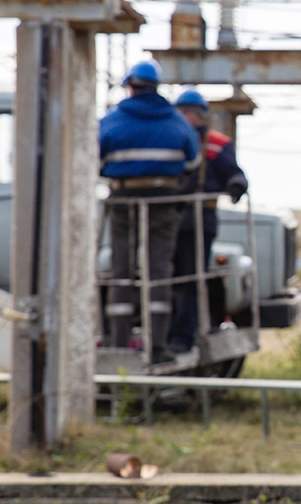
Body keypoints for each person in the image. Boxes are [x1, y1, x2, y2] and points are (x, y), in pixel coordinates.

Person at [99, 59, 200, 364]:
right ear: (156, 87)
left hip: (123, 200)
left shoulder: (113, 119)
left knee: (121, 271)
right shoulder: (175, 119)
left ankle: (118, 342)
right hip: (163, 201)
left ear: (130, 86)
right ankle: (157, 347)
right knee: (158, 272)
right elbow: (192, 160)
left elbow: (94, 154)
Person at [168, 88, 248, 353]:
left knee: (190, 279)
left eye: (186, 113)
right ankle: (166, 333)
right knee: (166, 279)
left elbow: (234, 174)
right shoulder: (172, 140)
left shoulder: (216, 144)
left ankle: (182, 336)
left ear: (198, 115)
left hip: (199, 221)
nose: (182, 117)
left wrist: (236, 185)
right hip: (168, 220)